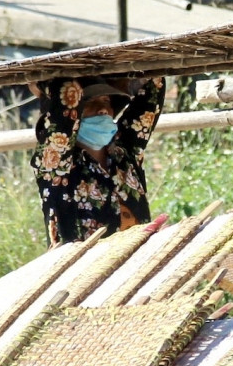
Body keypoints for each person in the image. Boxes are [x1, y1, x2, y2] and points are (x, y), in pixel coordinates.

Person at [30, 75, 166, 245]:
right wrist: (43, 87)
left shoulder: (125, 152)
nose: (103, 109)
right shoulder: (55, 164)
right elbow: (67, 90)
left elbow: (154, 88)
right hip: (80, 269)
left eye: (106, 101)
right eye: (90, 102)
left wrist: (124, 78)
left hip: (137, 264)